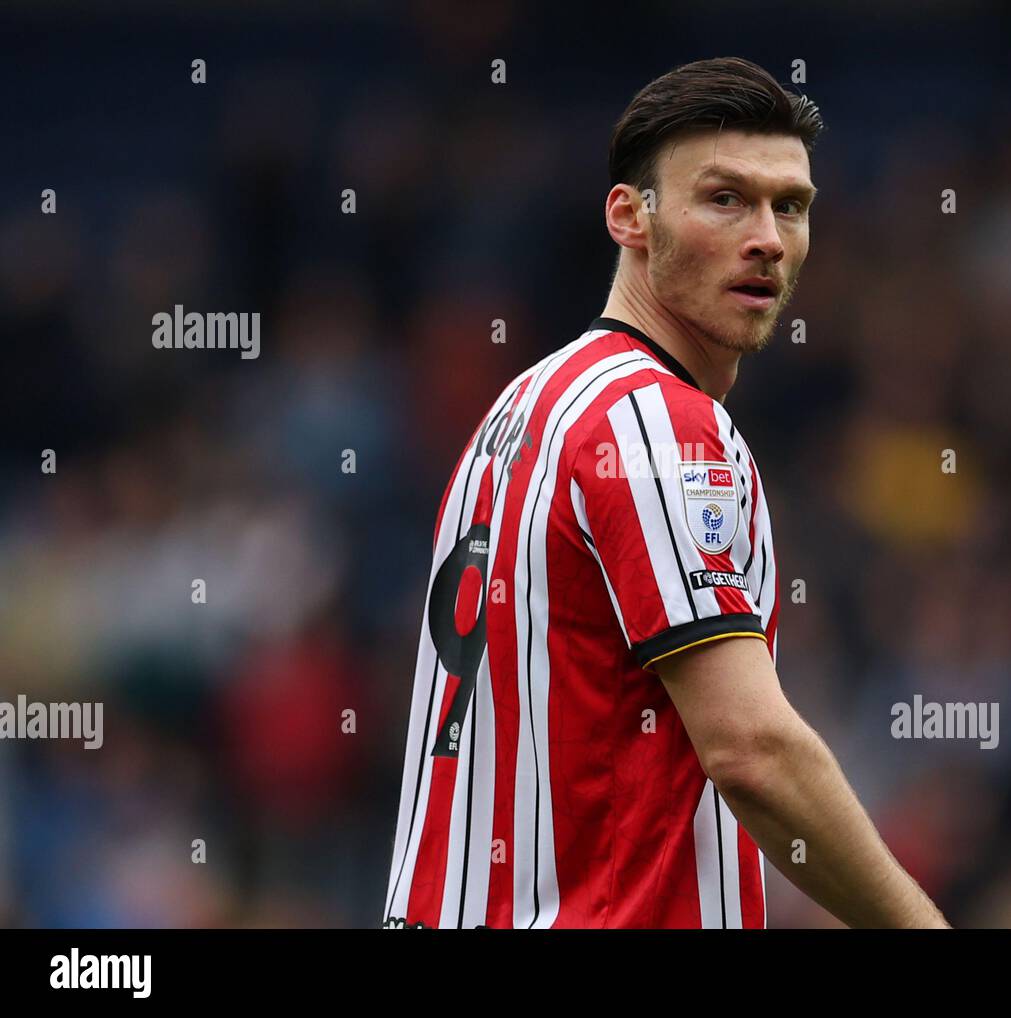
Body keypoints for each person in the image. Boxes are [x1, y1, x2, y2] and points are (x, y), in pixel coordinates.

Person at [384, 56, 948, 929]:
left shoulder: (524, 405)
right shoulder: (661, 426)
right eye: (724, 199)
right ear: (629, 217)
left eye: (788, 206)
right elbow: (751, 749)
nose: (766, 235)